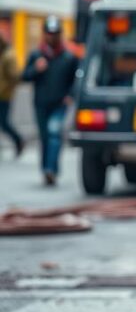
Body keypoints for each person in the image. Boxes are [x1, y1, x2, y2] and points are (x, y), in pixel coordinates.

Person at [22, 16, 79, 185]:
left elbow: (75, 80)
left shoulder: (69, 57)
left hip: (59, 103)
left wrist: (70, 95)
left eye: (55, 33)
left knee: (54, 133)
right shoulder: (36, 55)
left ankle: (51, 169)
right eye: (49, 33)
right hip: (40, 103)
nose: (51, 36)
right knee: (45, 137)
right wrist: (35, 69)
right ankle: (46, 168)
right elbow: (24, 76)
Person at [0, 32, 24, 158]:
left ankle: (18, 140)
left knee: (4, 123)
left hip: (4, 95)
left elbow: (15, 76)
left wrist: (7, 89)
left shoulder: (9, 56)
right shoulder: (3, 54)